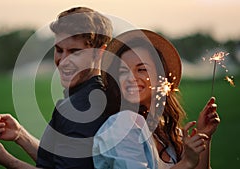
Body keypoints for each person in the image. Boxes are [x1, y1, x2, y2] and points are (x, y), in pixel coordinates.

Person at [0, 6, 114, 169]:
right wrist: (20, 135)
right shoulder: (97, 94)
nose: (64, 60)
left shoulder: (80, 108)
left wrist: (4, 158)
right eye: (59, 50)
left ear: (99, 53)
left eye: (75, 52)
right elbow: (57, 161)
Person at [93, 29, 220, 169]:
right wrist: (186, 162)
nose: (131, 78)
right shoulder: (122, 124)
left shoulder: (170, 133)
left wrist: (204, 135)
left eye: (141, 69)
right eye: (123, 72)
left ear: (161, 77)